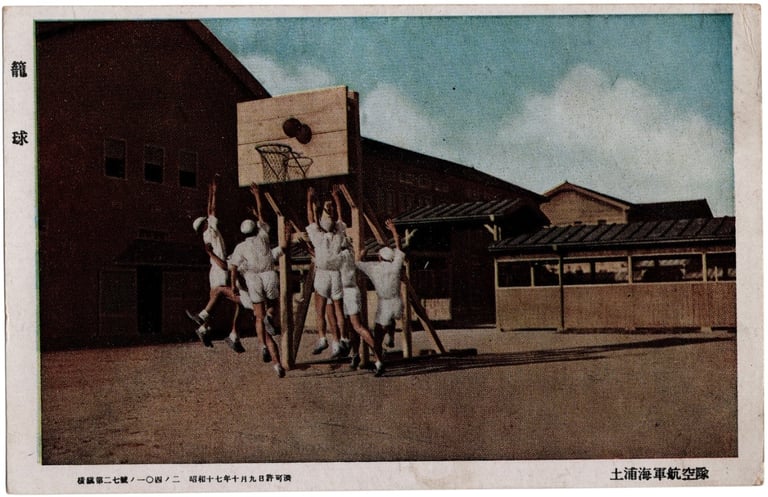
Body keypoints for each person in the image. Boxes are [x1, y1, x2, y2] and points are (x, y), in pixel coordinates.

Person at [228, 183, 288, 377]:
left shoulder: (240, 248)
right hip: (269, 275)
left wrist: (232, 285)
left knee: (259, 318)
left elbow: (233, 268)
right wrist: (257, 195)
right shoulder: (263, 237)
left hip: (253, 282)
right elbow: (262, 215)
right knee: (274, 305)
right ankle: (276, 360)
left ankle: (263, 346)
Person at [186, 175, 238, 348]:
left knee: (214, 301)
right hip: (219, 268)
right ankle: (204, 319)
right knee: (226, 295)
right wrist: (215, 193)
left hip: (213, 270)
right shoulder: (211, 231)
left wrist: (209, 192)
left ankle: (203, 328)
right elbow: (213, 210)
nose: (208, 219)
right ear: (204, 225)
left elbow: (209, 210)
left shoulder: (206, 233)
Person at [356, 219, 406, 376]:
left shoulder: (374, 268)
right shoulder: (395, 265)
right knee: (391, 319)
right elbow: (399, 245)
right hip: (397, 302)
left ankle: (379, 363)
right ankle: (391, 335)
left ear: (379, 257)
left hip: (384, 303)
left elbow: (357, 263)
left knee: (376, 337)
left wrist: (361, 255)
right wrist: (393, 230)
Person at [305, 186, 349, 359]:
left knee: (320, 309)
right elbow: (340, 216)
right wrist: (337, 198)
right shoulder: (339, 234)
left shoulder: (318, 236)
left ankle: (322, 337)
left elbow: (310, 216)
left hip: (323, 273)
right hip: (336, 274)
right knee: (338, 309)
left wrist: (309, 199)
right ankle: (343, 338)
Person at [338, 236, 385, 376]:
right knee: (353, 327)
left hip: (348, 292)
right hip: (350, 291)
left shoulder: (340, 257)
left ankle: (378, 358)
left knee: (358, 326)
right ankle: (355, 355)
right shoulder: (349, 255)